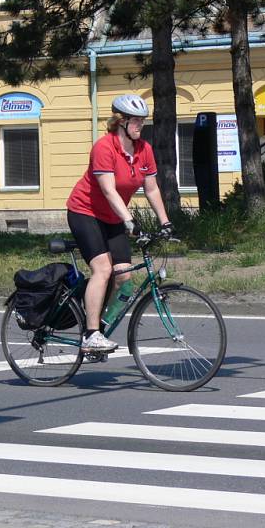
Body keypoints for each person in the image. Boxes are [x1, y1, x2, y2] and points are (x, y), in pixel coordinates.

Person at [66, 94, 173, 352]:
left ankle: (99, 324)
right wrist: (130, 221)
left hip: (113, 217)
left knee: (124, 276)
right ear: (120, 121)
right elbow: (108, 190)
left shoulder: (144, 150)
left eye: (143, 121)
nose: (141, 125)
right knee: (103, 269)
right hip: (85, 212)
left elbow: (151, 189)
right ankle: (90, 335)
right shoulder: (104, 147)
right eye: (136, 121)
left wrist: (165, 222)